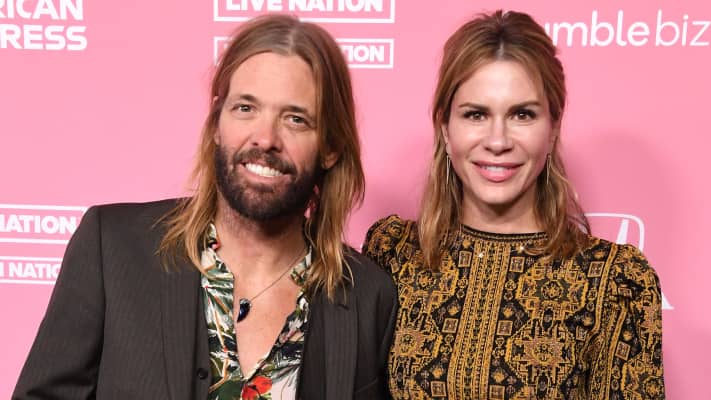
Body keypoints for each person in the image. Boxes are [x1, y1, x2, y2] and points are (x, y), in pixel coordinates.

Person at [14, 14, 397, 400]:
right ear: (216, 122)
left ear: (330, 147)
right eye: (245, 108)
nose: (265, 138)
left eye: (295, 119)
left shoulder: (367, 297)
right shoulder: (113, 247)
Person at [364, 10, 665, 399]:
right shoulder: (393, 254)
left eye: (522, 114)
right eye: (476, 114)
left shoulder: (613, 281)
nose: (498, 141)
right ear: (445, 127)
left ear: (553, 128)